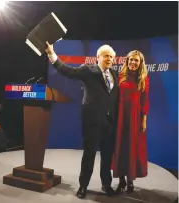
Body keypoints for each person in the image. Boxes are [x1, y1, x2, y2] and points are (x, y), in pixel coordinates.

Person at [45, 42, 119, 199]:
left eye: (112, 57)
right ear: (98, 57)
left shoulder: (115, 74)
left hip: (109, 122)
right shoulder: (87, 70)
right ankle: (83, 186)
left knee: (107, 155)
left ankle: (106, 184)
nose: (110, 59)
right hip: (92, 120)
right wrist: (52, 54)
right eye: (106, 56)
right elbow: (68, 71)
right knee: (89, 154)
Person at [112, 50, 149, 194]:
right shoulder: (120, 76)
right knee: (120, 147)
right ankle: (121, 181)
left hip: (134, 118)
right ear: (127, 61)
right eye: (131, 60)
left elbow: (145, 101)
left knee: (131, 148)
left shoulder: (144, 78)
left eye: (136, 61)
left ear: (140, 63)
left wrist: (143, 120)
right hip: (120, 116)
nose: (133, 63)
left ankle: (130, 181)